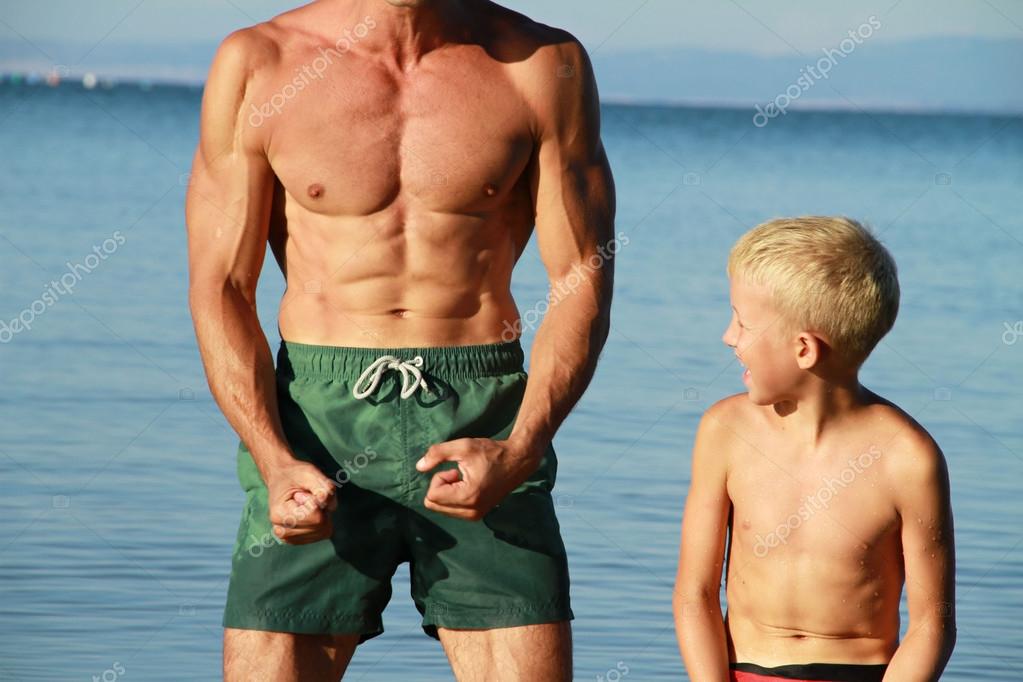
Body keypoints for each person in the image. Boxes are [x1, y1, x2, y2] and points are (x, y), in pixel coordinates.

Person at [184, 1, 615, 680]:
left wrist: (521, 447)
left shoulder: (541, 64)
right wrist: (272, 459)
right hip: (314, 423)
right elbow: (222, 287)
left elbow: (580, 276)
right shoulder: (260, 62)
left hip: (484, 414)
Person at [673, 217, 955, 682]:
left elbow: (931, 623)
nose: (728, 336)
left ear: (803, 349)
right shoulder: (725, 432)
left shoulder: (907, 459)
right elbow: (694, 595)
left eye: (742, 322)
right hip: (744, 669)